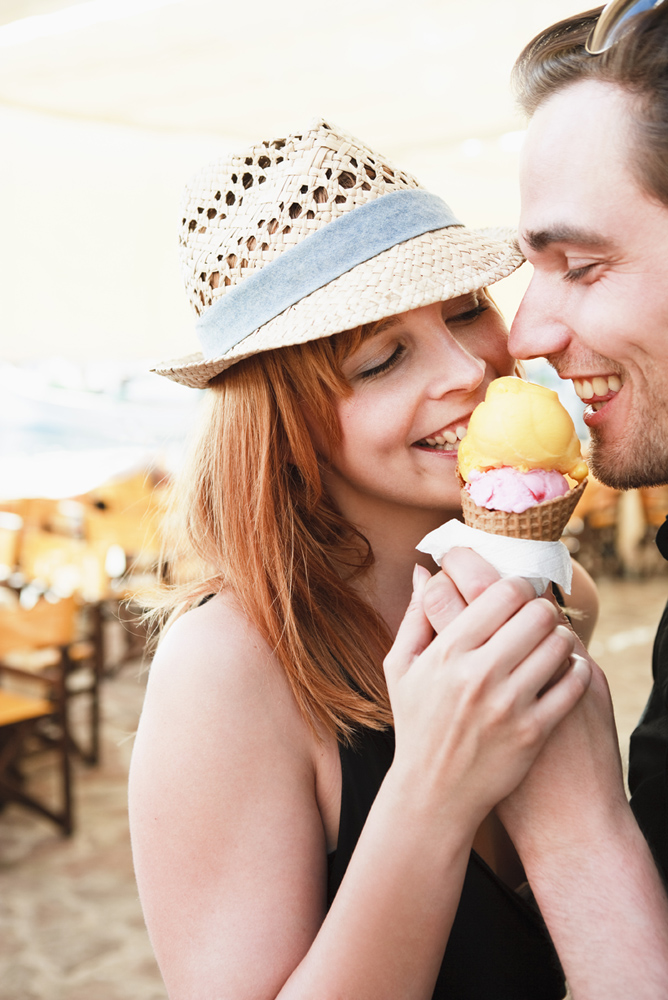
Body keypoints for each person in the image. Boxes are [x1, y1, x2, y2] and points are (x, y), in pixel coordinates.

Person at [127, 120, 636, 999]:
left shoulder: (564, 597)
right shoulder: (227, 669)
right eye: (383, 359)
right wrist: (435, 789)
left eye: (467, 309)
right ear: (286, 427)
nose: (467, 372)